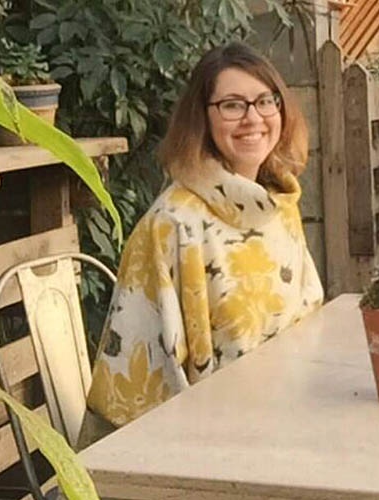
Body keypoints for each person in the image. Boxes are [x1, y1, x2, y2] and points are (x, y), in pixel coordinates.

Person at [79, 42, 324, 443]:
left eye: (266, 101)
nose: (253, 118)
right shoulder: (172, 225)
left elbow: (308, 326)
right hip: (211, 448)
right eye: (232, 105)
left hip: (290, 424)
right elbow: (140, 397)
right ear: (201, 118)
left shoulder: (277, 205)